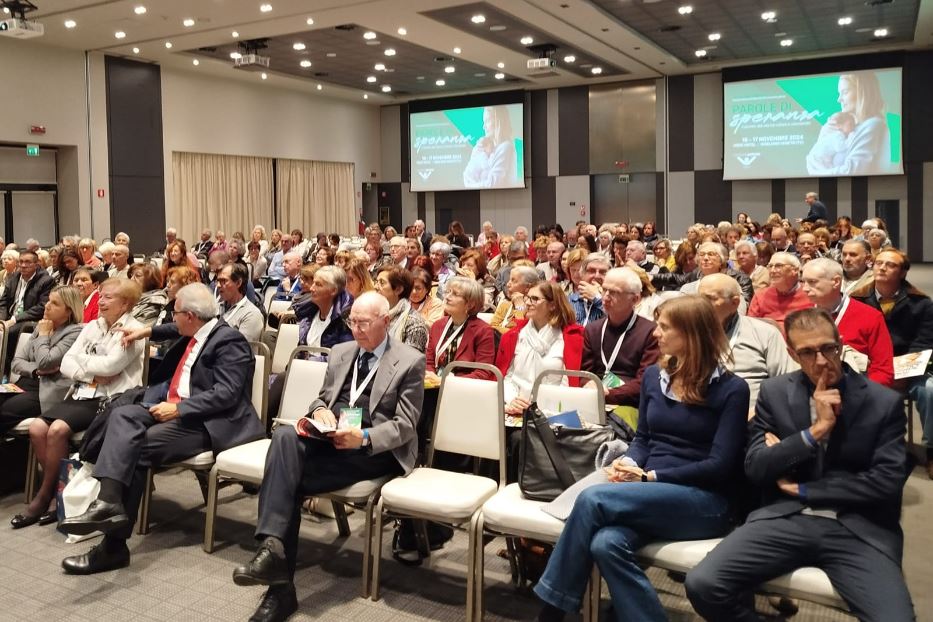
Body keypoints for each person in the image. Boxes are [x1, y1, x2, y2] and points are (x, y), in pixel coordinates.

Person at [685, 308, 915, 622]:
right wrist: (814, 432)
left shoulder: (882, 402)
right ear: (793, 354)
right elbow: (756, 468)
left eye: (828, 349)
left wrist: (806, 487)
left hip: (859, 528)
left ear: (841, 344)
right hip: (784, 517)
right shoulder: (776, 393)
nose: (821, 361)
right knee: (704, 585)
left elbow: (886, 482)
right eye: (807, 352)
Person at [535, 296, 750, 622]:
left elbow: (720, 466)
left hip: (706, 501)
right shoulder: (653, 377)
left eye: (664, 328)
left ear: (691, 334)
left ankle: (550, 613)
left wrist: (650, 478)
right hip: (650, 493)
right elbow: (644, 440)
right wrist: (631, 464)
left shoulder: (731, 389)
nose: (655, 334)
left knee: (593, 499)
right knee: (606, 544)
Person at [231, 292, 424, 620]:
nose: (356, 329)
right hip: (332, 438)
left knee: (285, 482)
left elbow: (405, 426)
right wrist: (320, 412)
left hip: (374, 449)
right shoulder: (341, 351)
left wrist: (361, 437)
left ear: (386, 322)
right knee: (284, 436)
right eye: (353, 322)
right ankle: (274, 555)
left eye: (364, 323)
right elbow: (321, 399)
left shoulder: (409, 360)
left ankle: (278, 585)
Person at [59, 283, 264, 574]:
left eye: (175, 312)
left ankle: (113, 545)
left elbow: (227, 393)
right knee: (123, 415)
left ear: (191, 316)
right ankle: (109, 502)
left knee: (136, 448)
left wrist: (180, 408)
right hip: (174, 411)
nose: (171, 317)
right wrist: (147, 331)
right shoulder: (197, 329)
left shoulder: (230, 342)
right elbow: (170, 328)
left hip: (208, 422)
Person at [25, 279, 145, 529]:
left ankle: (47, 496)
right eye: (101, 296)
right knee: (36, 427)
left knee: (57, 430)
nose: (100, 301)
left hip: (109, 399)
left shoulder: (134, 330)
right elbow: (67, 363)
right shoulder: (92, 326)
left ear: (125, 303)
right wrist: (89, 372)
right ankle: (56, 490)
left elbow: (111, 367)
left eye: (108, 297)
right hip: (81, 393)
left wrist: (82, 361)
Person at [1, 287, 85, 527]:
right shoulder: (39, 327)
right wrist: (36, 369)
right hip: (30, 381)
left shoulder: (75, 331)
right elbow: (18, 363)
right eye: (48, 302)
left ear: (68, 310)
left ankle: (33, 482)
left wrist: (45, 340)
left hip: (49, 390)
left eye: (54, 304)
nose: (47, 306)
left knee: (5, 413)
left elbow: (48, 360)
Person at [851, 249, 933, 478]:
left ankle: (931, 449)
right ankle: (862, 448)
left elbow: (924, 343)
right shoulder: (857, 299)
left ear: (903, 272)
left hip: (910, 367)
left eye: (890, 264)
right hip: (871, 365)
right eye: (878, 263)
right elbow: (855, 342)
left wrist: (902, 372)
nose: (882, 267)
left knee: (931, 391)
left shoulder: (922, 303)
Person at [581, 267, 660, 438]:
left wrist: (609, 393)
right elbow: (585, 373)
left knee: (600, 436)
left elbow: (645, 382)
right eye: (604, 290)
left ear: (635, 299)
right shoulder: (593, 329)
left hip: (631, 405)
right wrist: (589, 384)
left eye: (615, 292)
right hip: (594, 400)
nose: (606, 296)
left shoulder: (650, 332)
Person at [697, 274, 796, 412]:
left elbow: (788, 382)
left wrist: (761, 413)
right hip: (697, 415)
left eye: (710, 299)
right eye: (699, 298)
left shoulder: (764, 333)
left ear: (735, 303)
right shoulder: (688, 333)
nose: (701, 305)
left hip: (750, 419)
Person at [801, 258, 894, 387]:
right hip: (809, 389)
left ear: (836, 282)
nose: (805, 288)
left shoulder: (870, 316)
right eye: (803, 282)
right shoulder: (800, 317)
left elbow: (883, 369)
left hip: (857, 391)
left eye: (812, 282)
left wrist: (863, 394)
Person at [495, 282, 584, 414]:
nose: (528, 303)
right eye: (527, 297)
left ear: (552, 305)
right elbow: (507, 377)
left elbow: (568, 384)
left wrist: (544, 410)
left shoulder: (573, 338)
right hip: (515, 409)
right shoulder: (512, 336)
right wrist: (511, 400)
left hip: (553, 412)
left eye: (535, 299)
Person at [806, 73, 893, 176]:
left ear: (862, 92)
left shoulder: (872, 125)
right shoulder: (848, 129)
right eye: (839, 93)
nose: (839, 99)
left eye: (845, 92)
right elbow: (817, 159)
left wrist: (817, 172)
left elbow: (852, 171)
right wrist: (824, 136)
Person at [424, 276, 496, 384]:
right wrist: (431, 376)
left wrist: (446, 381)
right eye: (448, 292)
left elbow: (483, 372)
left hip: (464, 390)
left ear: (470, 304)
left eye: (455, 294)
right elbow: (429, 361)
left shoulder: (483, 331)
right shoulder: (437, 325)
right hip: (433, 386)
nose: (447, 297)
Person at [0, 250, 55, 372]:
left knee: (10, 332)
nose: (23, 265)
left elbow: (42, 307)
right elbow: (3, 303)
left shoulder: (46, 281)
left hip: (30, 320)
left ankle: (6, 371)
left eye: (28, 262)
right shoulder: (13, 277)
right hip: (10, 319)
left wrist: (14, 320)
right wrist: (2, 321)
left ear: (36, 264)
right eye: (21, 262)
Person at [747, 252, 812, 335]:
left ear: (795, 270)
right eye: (770, 266)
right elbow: (750, 327)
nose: (772, 271)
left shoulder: (810, 293)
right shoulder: (760, 295)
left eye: (778, 266)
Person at [374, 266, 428, 353]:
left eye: (382, 283)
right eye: (376, 282)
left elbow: (410, 363)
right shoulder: (373, 314)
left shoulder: (414, 324)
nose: (375, 286)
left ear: (398, 289)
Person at [462, 105, 517, 188]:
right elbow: (467, 178)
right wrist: (479, 152)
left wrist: (471, 185)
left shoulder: (506, 147)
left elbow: (493, 184)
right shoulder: (483, 149)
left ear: (498, 120)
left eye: (487, 121)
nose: (484, 127)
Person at [217, 263, 264, 343]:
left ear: (238, 283)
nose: (218, 285)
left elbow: (239, 350)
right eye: (218, 281)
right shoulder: (216, 308)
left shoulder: (251, 314)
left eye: (223, 281)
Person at [569, 253, 611, 326]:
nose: (597, 276)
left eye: (602, 272)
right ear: (582, 274)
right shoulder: (570, 301)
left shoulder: (616, 303)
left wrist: (597, 298)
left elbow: (619, 321)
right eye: (591, 271)